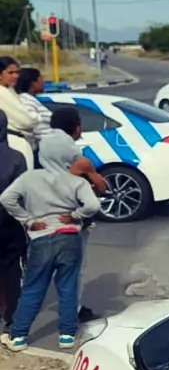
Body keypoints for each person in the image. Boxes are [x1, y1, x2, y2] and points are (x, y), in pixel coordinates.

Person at [0, 128, 101, 351]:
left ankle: (18, 337)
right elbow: (93, 205)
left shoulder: (29, 178)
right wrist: (75, 216)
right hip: (69, 238)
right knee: (67, 287)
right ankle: (66, 335)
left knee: (33, 288)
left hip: (41, 238)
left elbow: (6, 198)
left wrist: (27, 220)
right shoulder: (76, 181)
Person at [42, 107, 107, 323]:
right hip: (71, 214)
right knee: (75, 266)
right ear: (76, 126)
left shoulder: (42, 142)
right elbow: (100, 186)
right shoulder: (73, 151)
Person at [0, 109, 28, 333]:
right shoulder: (16, 158)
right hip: (10, 223)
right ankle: (12, 318)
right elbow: (23, 194)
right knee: (11, 270)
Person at [0, 56, 34, 169]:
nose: (15, 76)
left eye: (17, 72)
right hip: (12, 142)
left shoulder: (9, 90)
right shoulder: (2, 92)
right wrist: (34, 117)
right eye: (10, 72)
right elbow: (27, 121)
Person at [15, 67, 54, 163]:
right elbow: (31, 126)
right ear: (33, 83)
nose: (43, 81)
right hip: (39, 151)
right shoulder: (26, 101)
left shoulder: (31, 100)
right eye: (41, 78)